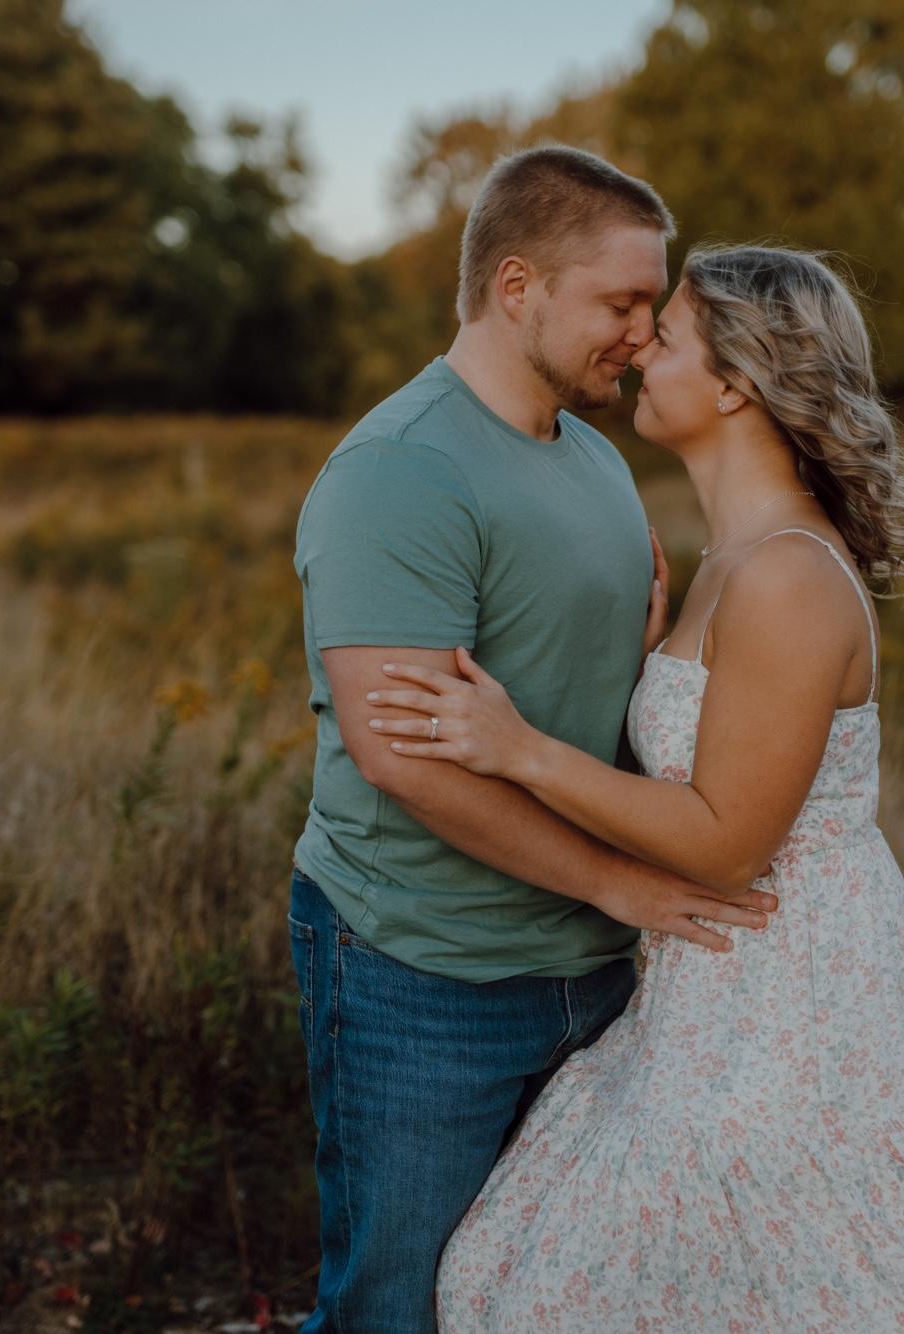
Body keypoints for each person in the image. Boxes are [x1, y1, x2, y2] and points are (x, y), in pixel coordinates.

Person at [369, 245, 904, 1331]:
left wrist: (520, 750)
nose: (638, 348)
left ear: (737, 382)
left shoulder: (786, 574)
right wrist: (647, 663)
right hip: (718, 981)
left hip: (791, 996)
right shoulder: (734, 557)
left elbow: (728, 841)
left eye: (668, 334)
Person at [288, 148, 778, 1332]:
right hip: (423, 971)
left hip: (594, 969)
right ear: (517, 287)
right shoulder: (401, 472)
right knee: (396, 1305)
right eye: (620, 302)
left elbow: (581, 690)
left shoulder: (593, 455)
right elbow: (403, 757)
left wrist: (646, 657)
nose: (642, 334)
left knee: (552, 1296)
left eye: (650, 307)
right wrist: (617, 880)